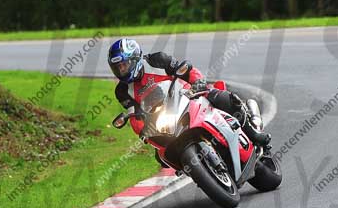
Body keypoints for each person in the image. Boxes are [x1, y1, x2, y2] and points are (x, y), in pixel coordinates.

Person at [108, 37, 270, 148]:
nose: (122, 70)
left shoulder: (157, 60)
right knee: (162, 155)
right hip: (165, 117)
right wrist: (143, 130)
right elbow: (134, 115)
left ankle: (252, 132)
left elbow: (186, 70)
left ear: (135, 59)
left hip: (188, 96)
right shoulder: (122, 91)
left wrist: (198, 83)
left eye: (124, 65)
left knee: (219, 97)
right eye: (118, 68)